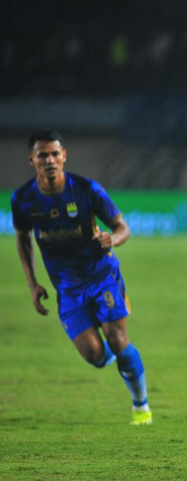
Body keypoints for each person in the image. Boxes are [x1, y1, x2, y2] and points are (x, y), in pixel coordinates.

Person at [11, 130, 152, 425]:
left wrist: (113, 239)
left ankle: (141, 406)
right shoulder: (23, 199)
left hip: (102, 278)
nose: (49, 160)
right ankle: (116, 360)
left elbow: (122, 227)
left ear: (64, 156)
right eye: (42, 155)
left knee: (118, 337)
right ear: (31, 159)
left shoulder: (87, 190)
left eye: (54, 154)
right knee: (94, 355)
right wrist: (32, 283)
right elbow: (22, 238)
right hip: (67, 289)